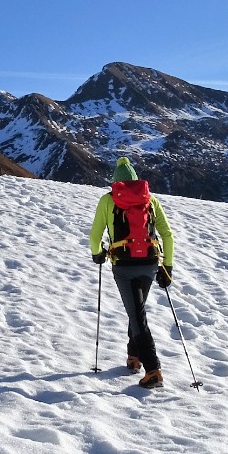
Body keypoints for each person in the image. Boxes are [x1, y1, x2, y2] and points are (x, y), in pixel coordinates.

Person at [90, 157, 176, 388]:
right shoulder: (151, 200)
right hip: (149, 263)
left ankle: (153, 369)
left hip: (123, 265)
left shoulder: (108, 201)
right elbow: (167, 235)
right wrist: (167, 266)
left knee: (137, 316)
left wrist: (97, 253)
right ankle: (133, 355)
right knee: (136, 310)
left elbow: (94, 236)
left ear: (115, 183)